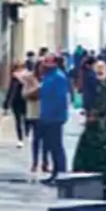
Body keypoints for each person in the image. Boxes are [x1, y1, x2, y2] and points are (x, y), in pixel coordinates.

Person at [38, 54, 70, 183]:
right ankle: (55, 172)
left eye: (47, 62)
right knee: (50, 145)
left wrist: (55, 114)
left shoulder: (58, 77)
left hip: (55, 117)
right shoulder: (48, 77)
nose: (44, 64)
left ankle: (60, 173)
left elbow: (60, 98)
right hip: (46, 116)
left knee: (56, 145)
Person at [22, 63, 44, 173]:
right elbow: (24, 94)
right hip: (34, 112)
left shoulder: (49, 78)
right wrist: (36, 91)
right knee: (36, 139)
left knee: (47, 140)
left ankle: (45, 162)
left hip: (46, 112)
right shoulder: (29, 78)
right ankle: (35, 162)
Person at [3, 62, 28, 148]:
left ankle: (27, 134)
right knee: (18, 121)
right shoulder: (14, 79)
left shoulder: (28, 76)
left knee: (26, 119)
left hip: (25, 101)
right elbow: (10, 91)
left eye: (19, 69)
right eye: (16, 69)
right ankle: (20, 139)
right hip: (15, 102)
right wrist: (6, 104)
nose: (17, 71)